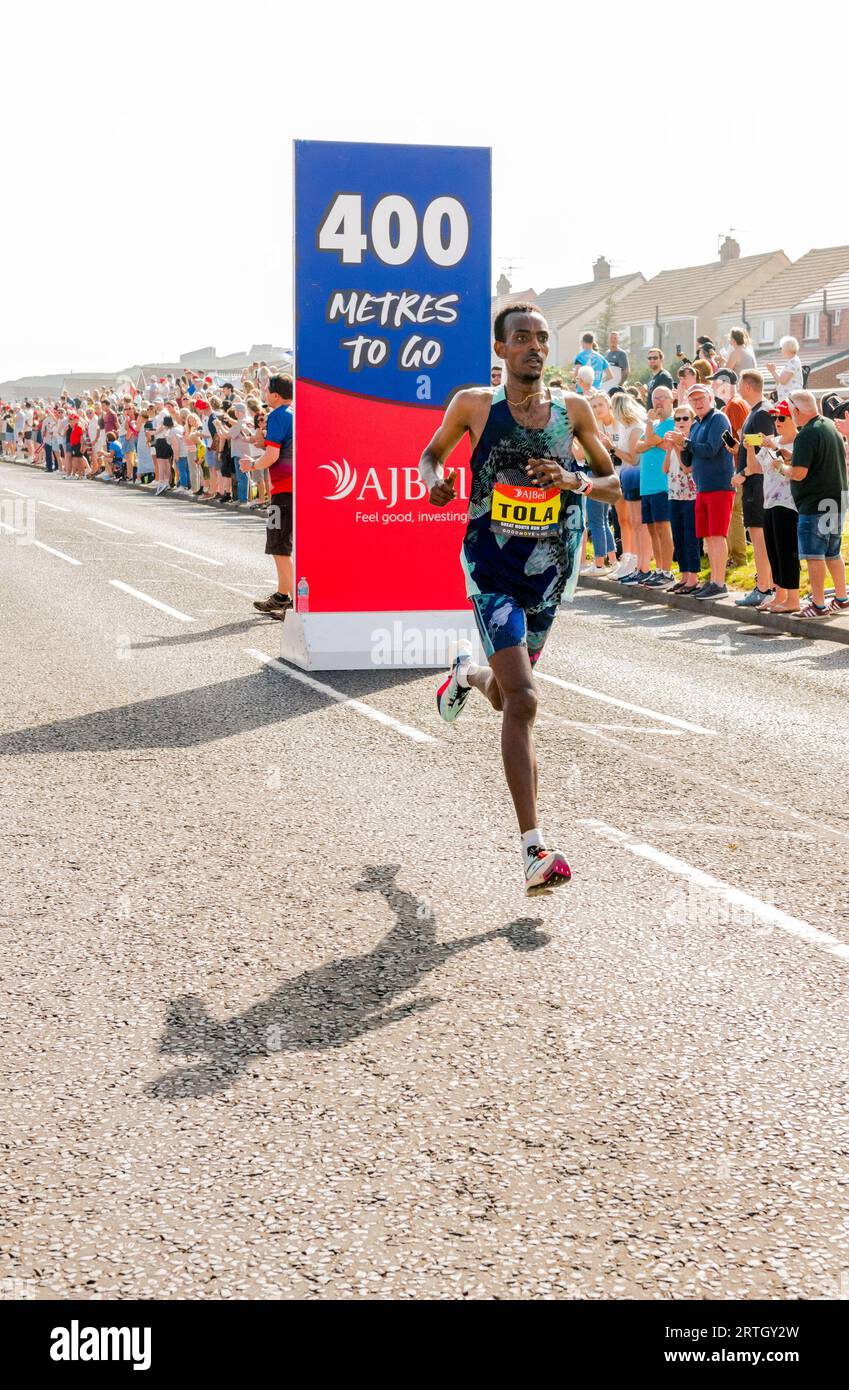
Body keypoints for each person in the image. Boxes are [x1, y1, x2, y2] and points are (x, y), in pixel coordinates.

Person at [419, 303, 620, 892]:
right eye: (521, 339)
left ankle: (465, 675)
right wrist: (435, 482)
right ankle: (534, 850)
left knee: (508, 696)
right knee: (526, 700)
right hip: (491, 567)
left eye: (541, 338)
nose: (534, 346)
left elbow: (612, 486)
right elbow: (432, 455)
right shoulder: (475, 406)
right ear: (500, 350)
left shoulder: (573, 411)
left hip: (550, 571)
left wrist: (571, 480)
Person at [784, 391, 848, 619]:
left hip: (815, 504)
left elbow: (799, 474)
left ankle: (818, 605)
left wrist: (782, 468)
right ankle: (841, 598)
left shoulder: (806, 434)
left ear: (796, 410)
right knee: (832, 552)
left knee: (814, 555)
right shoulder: (829, 425)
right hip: (836, 499)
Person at [673, 382, 734, 599]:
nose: (698, 403)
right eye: (693, 399)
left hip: (719, 485)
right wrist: (680, 444)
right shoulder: (697, 424)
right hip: (702, 487)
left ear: (710, 398)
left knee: (717, 536)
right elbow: (689, 460)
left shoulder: (718, 418)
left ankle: (719, 583)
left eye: (701, 398)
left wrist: (686, 442)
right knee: (708, 537)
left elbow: (710, 450)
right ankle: (714, 581)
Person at [245, 375, 294, 618]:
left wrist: (251, 465)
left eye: (266, 390)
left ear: (275, 394)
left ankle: (292, 600)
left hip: (284, 489)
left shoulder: (277, 415)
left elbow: (273, 456)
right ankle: (282, 595)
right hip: (296, 488)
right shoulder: (294, 413)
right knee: (282, 544)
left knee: (279, 544)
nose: (264, 393)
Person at [746, 401, 799, 614]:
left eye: (781, 417)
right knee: (774, 552)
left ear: (793, 418)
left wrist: (776, 449)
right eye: (774, 418)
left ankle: (793, 598)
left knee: (787, 551)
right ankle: (780, 596)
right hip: (769, 501)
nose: (777, 422)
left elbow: (799, 465)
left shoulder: (799, 442)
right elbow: (754, 469)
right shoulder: (772, 441)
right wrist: (750, 449)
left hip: (789, 503)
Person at [733, 369, 776, 606]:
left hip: (757, 482)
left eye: (739, 383)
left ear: (748, 386)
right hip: (754, 482)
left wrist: (743, 473)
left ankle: (764, 588)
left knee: (759, 538)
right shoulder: (755, 411)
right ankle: (767, 585)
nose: (738, 388)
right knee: (759, 536)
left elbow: (768, 442)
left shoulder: (761, 412)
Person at [634, 385, 675, 585]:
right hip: (646, 484)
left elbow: (649, 440)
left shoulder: (672, 422)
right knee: (652, 529)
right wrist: (653, 440)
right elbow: (638, 446)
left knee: (663, 527)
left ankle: (667, 571)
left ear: (671, 400)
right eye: (655, 398)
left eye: (662, 398)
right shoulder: (654, 424)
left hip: (662, 483)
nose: (658, 402)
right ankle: (659, 569)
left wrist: (650, 435)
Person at [611, 391, 652, 582]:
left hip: (635, 476)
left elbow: (634, 459)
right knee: (634, 523)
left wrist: (612, 449)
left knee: (639, 523)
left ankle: (641, 563)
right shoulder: (626, 428)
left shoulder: (635, 428)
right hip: (628, 477)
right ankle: (636, 562)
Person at [712, 367, 749, 569]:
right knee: (735, 513)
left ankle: (737, 557)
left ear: (725, 383)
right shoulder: (736, 403)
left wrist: (724, 439)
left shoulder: (733, 406)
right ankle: (737, 556)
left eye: (716, 383)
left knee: (733, 513)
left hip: (736, 466)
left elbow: (738, 438)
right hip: (740, 464)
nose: (713, 386)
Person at [662, 402, 701, 592]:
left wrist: (678, 446)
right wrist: (669, 449)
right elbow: (665, 468)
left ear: (692, 421)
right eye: (678, 419)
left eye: (686, 418)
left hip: (690, 494)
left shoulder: (691, 442)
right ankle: (684, 575)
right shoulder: (674, 442)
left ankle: (693, 577)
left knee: (689, 536)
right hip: (674, 493)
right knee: (677, 535)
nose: (681, 422)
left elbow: (687, 468)